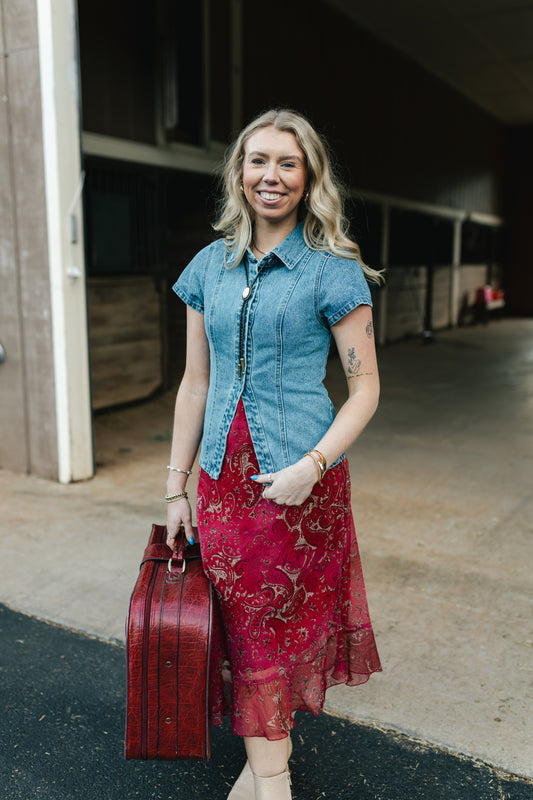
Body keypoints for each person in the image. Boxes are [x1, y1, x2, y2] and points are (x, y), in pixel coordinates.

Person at [165, 108, 383, 800]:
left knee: (274, 631)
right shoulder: (207, 267)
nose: (271, 175)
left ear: (308, 177)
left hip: (301, 484)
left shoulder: (332, 273)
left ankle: (270, 780)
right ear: (238, 172)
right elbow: (195, 383)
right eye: (258, 160)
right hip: (222, 485)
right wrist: (175, 487)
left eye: (287, 163)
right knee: (241, 628)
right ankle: (266, 768)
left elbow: (365, 388)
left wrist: (310, 466)